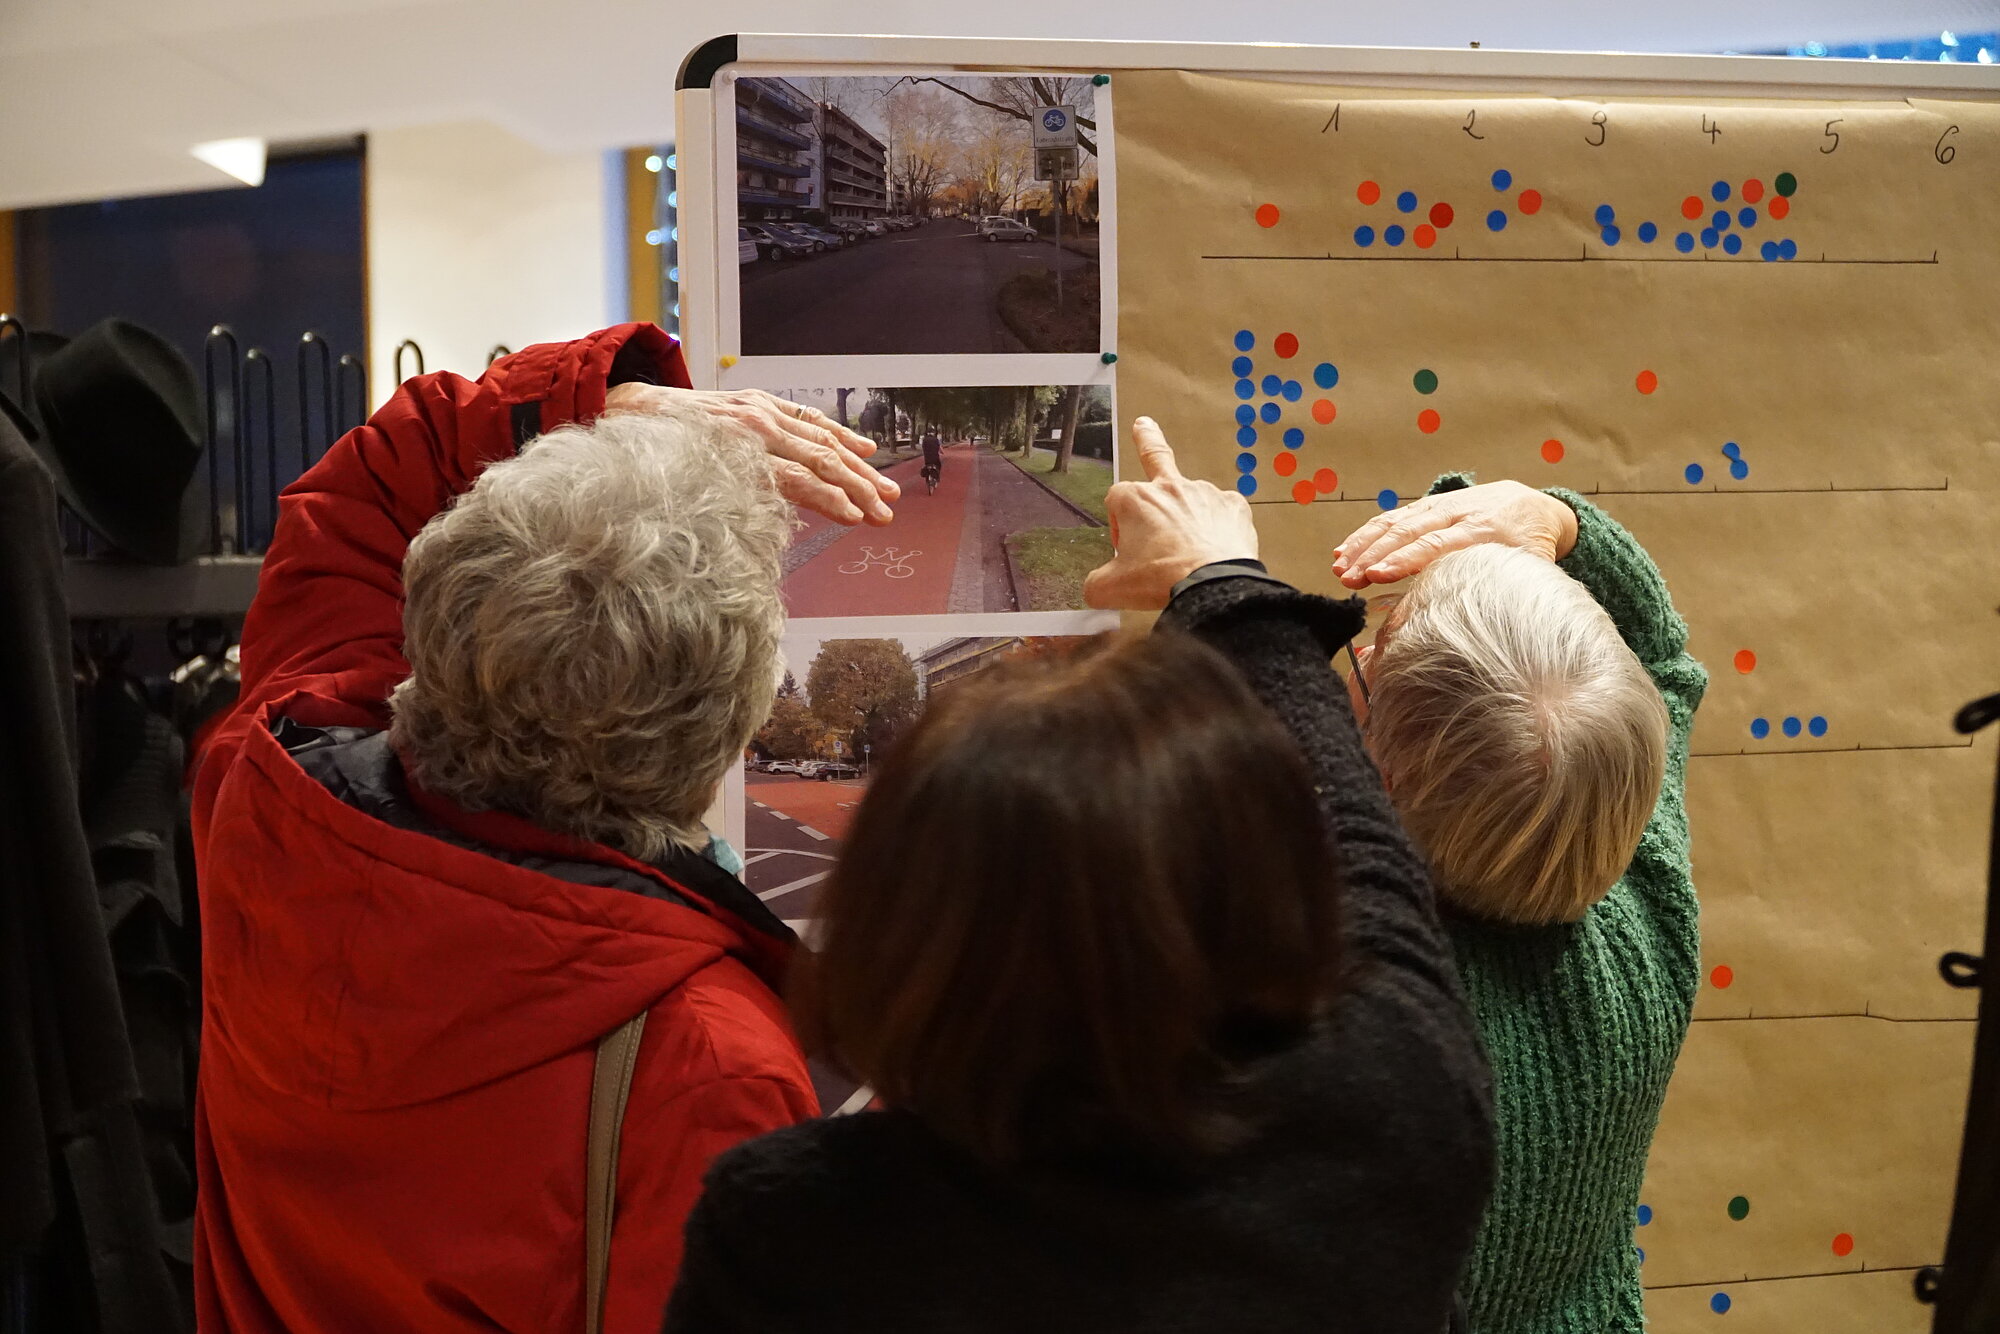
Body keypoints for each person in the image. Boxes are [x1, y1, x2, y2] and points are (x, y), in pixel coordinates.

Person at [662, 419, 1494, 1334]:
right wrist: (1222, 577)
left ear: (902, 930)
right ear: (1266, 895)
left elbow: (1361, 860)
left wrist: (1223, 585)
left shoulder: (797, 1238)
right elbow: (1363, 854)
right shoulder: (1392, 1120)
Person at [190, 323, 898, 1334]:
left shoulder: (267, 802)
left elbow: (362, 485)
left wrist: (588, 401)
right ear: (729, 718)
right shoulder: (710, 1060)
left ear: (431, 612)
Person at [1331, 477, 1704, 1334]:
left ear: (1386, 775)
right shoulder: (1652, 925)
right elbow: (1668, 658)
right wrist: (1561, 524)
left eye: (1366, 665)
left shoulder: (1356, 1008)